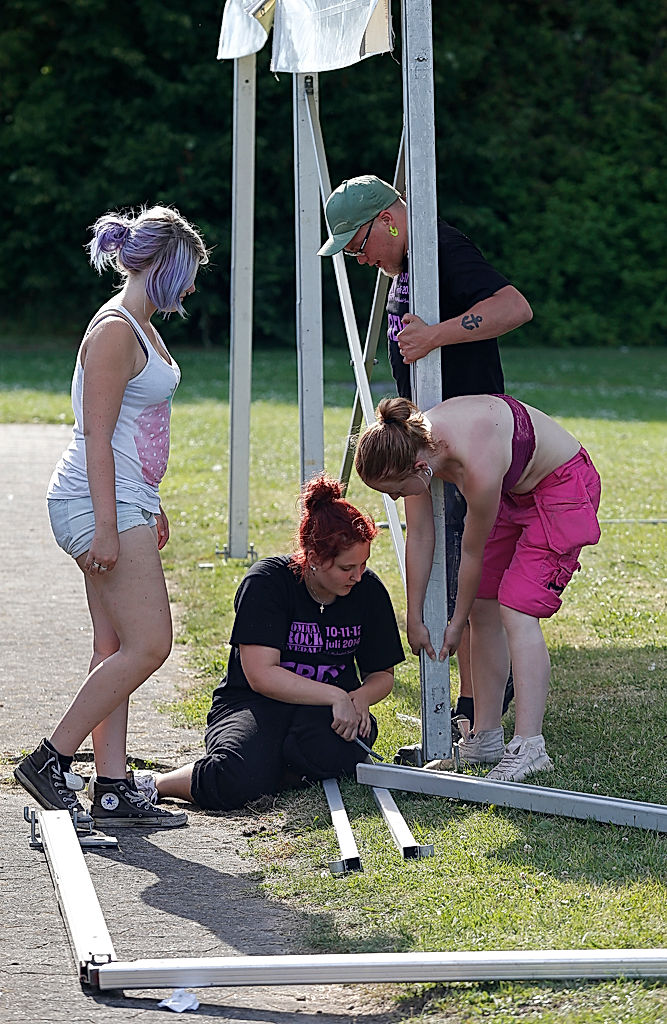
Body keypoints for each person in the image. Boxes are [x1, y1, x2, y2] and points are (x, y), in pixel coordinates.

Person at [15, 204, 209, 829]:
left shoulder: (144, 328)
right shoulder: (114, 332)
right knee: (151, 644)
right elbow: (96, 436)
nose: (192, 286)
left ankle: (113, 787)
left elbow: (137, 431)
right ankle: (50, 759)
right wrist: (107, 523)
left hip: (126, 498)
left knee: (114, 644)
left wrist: (152, 502)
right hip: (97, 500)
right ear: (161, 265)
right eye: (187, 271)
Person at [318, 175, 533, 728]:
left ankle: (478, 703)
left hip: (468, 446)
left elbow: (514, 307)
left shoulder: (441, 249)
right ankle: (462, 704)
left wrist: (439, 334)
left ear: (388, 219)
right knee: (431, 546)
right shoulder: (406, 267)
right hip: (425, 443)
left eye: (360, 244)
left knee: (472, 570)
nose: (360, 259)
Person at [354, 395, 601, 782]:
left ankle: (529, 745)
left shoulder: (476, 466)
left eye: (397, 491)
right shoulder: (412, 445)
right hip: (517, 493)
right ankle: (485, 736)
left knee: (516, 609)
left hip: (561, 487)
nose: (395, 498)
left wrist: (456, 622)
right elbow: (419, 536)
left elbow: (473, 553)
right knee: (485, 605)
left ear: (419, 469)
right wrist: (414, 616)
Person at [131, 475, 405, 812]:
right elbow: (261, 675)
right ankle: (157, 783)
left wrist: (361, 698)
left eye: (363, 564)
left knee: (332, 753)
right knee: (234, 778)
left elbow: (383, 674)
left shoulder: (368, 590)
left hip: (326, 711)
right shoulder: (268, 581)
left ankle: (272, 766)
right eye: (348, 567)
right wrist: (336, 695)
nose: (358, 576)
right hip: (254, 701)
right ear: (315, 558)